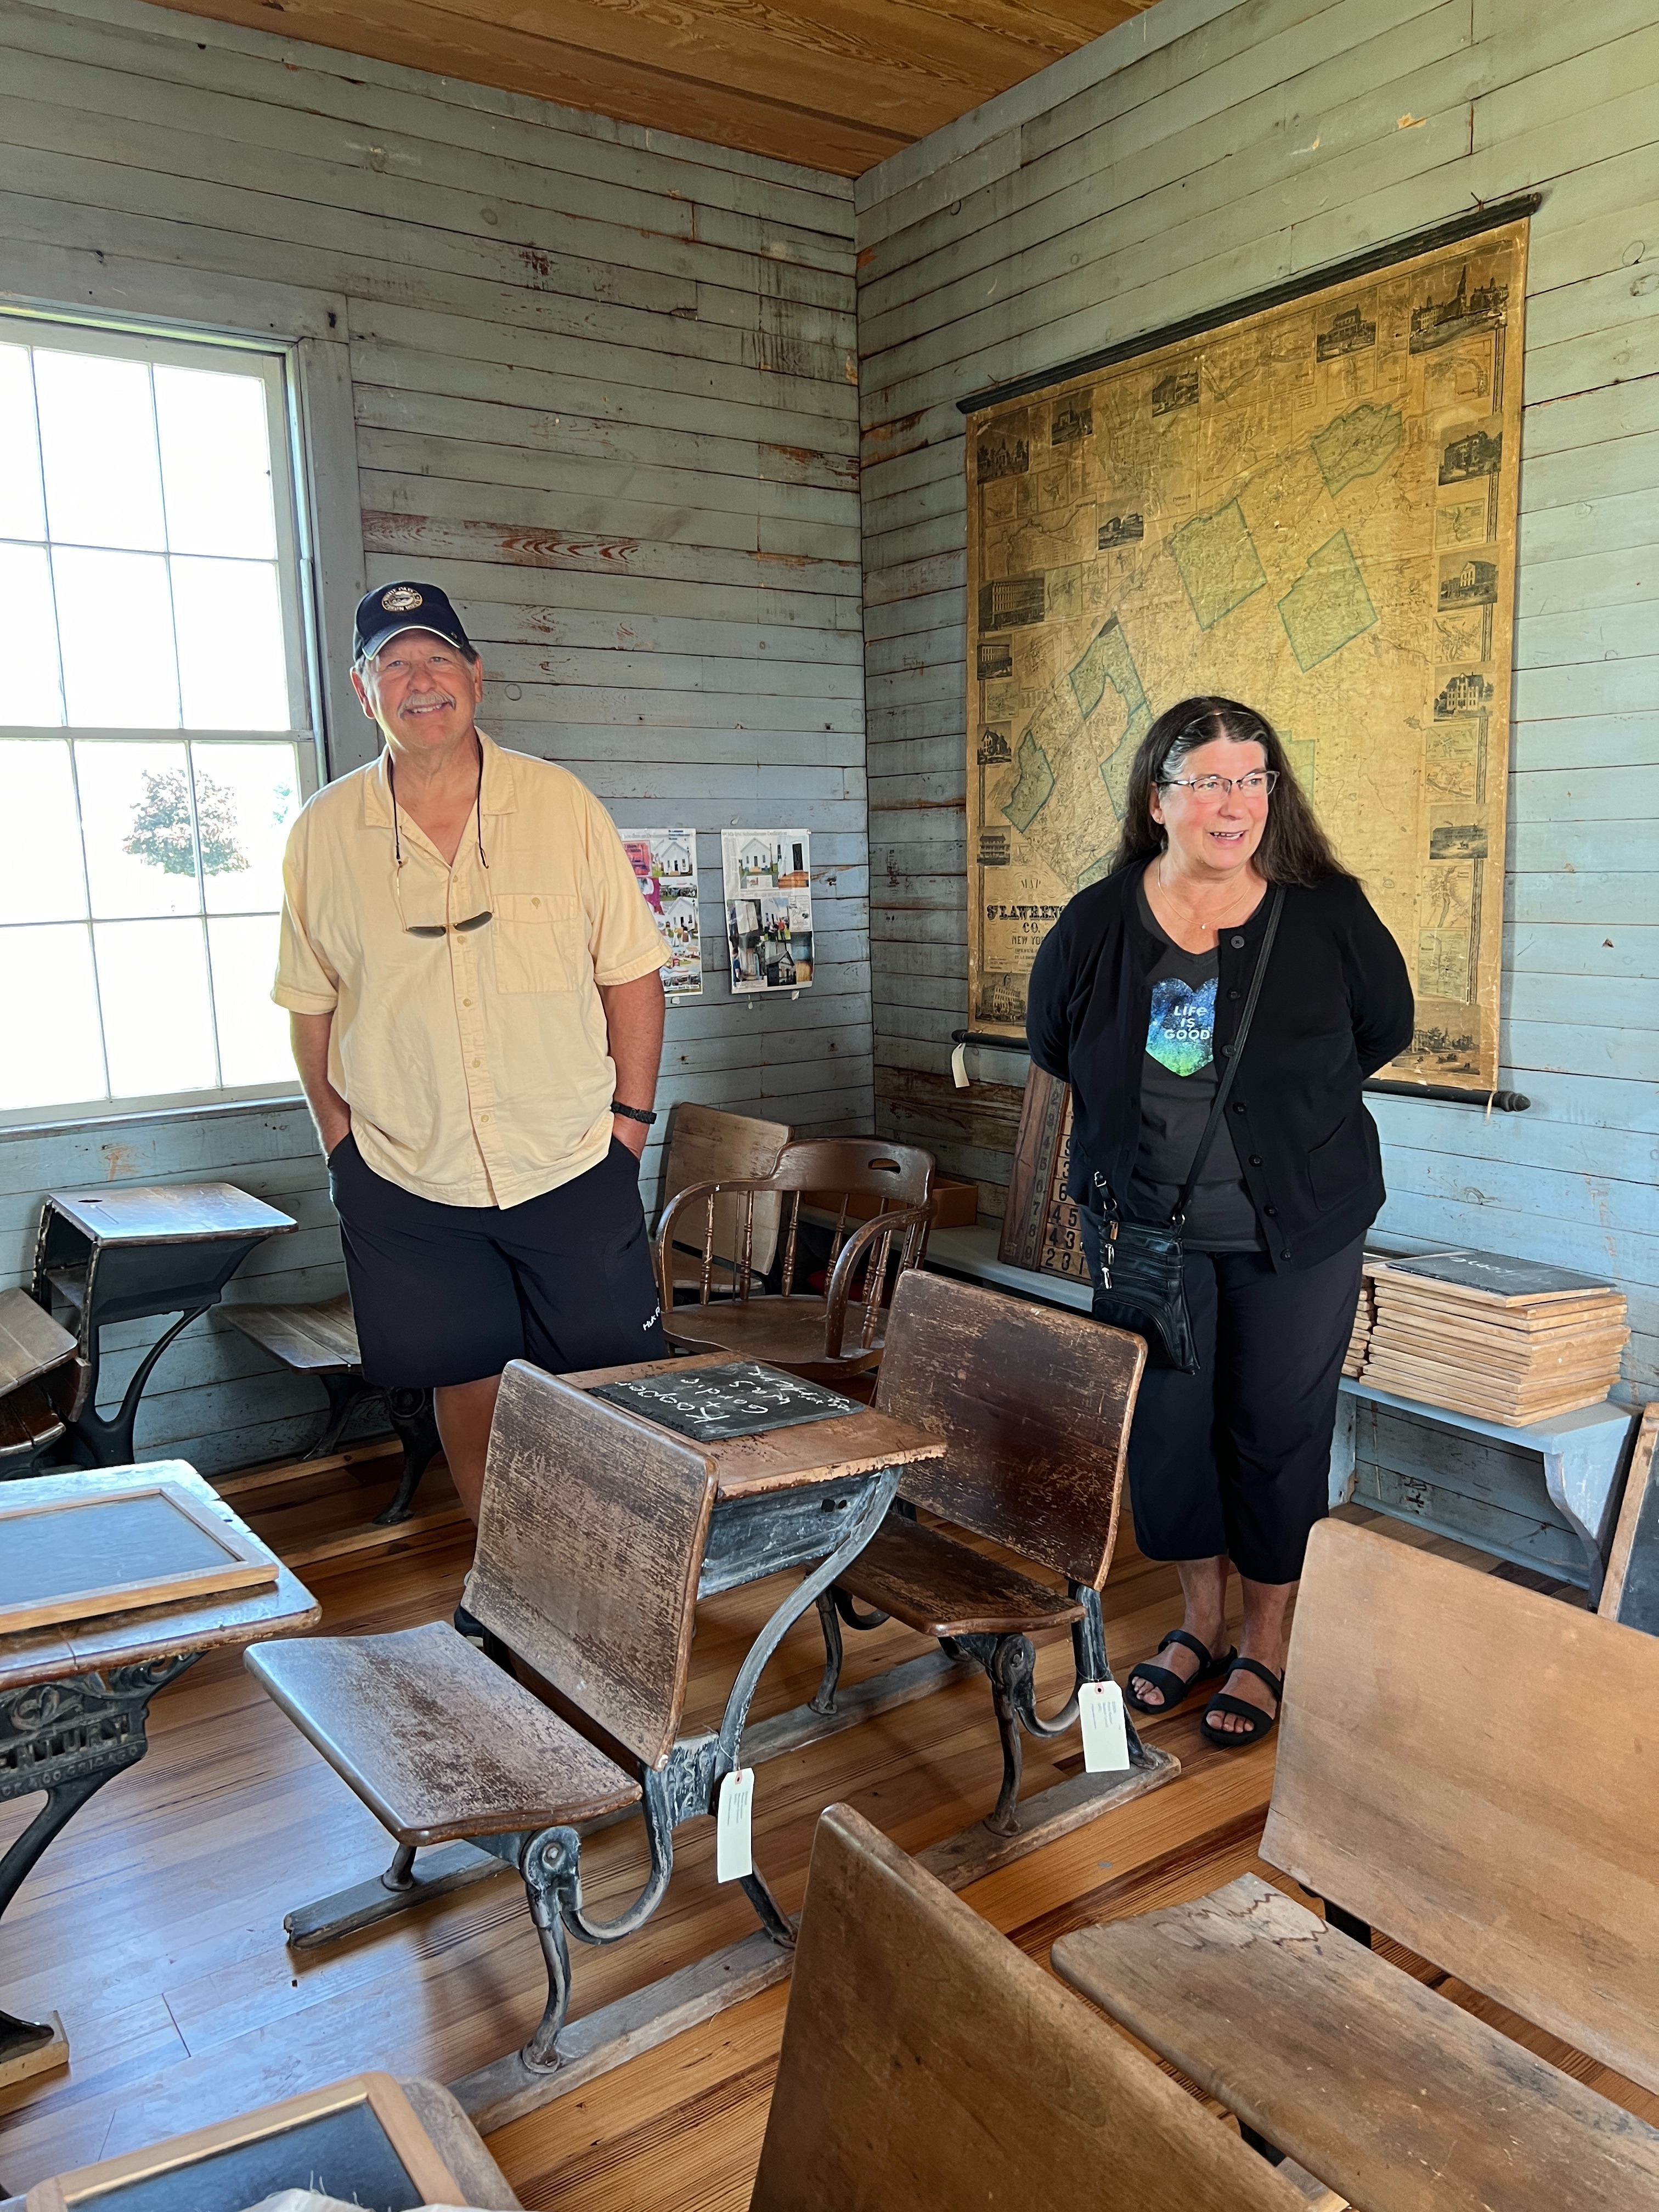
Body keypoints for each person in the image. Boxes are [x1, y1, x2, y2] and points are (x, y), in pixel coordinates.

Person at [1026, 696, 1413, 1748]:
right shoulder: (1099, 920)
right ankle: (1199, 1621)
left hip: (1301, 1232)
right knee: (1170, 1439)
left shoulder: (1328, 911)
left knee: (1277, 1435)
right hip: (1148, 1234)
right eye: (1206, 781)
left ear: (1272, 796)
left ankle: (1267, 1641)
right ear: (1160, 802)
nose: (1231, 802)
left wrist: (1284, 1125)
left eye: (1252, 779)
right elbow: (1056, 1045)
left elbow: (1386, 1026)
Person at [274, 580, 669, 1542]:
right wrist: (341, 1145)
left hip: (572, 1158)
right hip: (409, 1176)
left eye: (437, 659)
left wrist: (629, 1129)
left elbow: (632, 978)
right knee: (470, 1382)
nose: (420, 682)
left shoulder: (561, 804)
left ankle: (624, 1572)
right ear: (364, 692)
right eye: (394, 664)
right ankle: (511, 1578)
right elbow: (310, 1006)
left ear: (475, 678)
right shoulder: (323, 835)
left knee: (612, 1384)